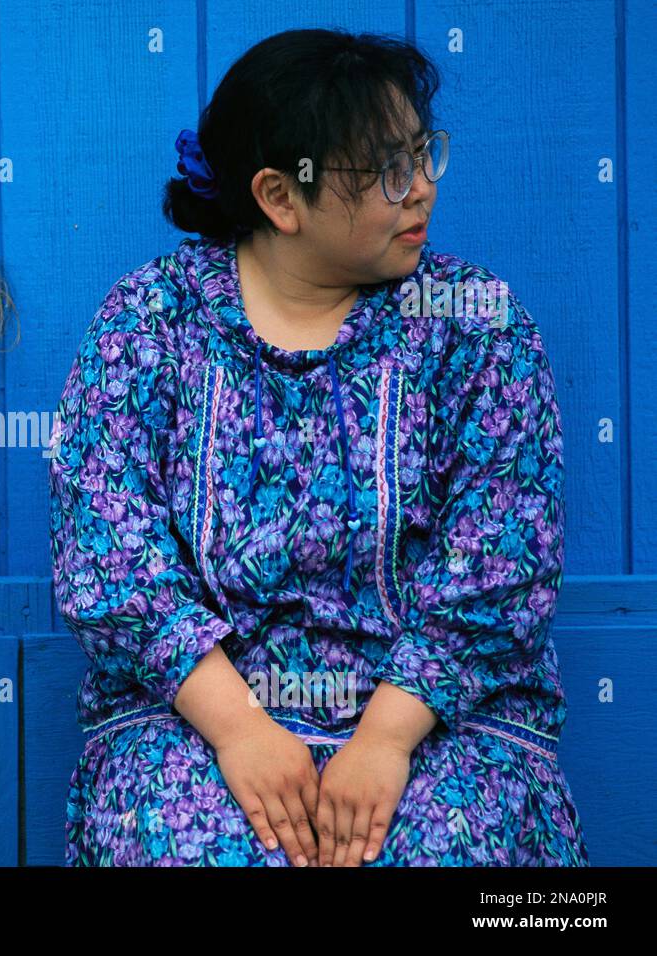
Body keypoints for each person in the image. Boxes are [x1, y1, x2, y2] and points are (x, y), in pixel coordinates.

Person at [47, 27, 589, 866]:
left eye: (424, 153)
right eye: (388, 172)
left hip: (435, 721)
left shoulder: (476, 325)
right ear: (279, 198)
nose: (423, 192)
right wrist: (240, 732)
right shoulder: (150, 323)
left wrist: (384, 740)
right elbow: (110, 561)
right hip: (202, 720)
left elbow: (502, 565)